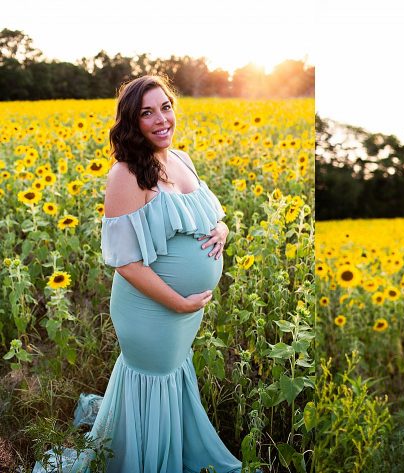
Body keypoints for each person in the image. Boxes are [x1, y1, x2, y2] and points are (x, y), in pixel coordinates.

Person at [86, 75, 241, 472]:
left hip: (183, 311)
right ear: (132, 122)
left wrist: (222, 230)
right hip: (150, 310)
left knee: (170, 375)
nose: (161, 119)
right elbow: (125, 262)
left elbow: (214, 215)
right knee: (152, 379)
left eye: (166, 107)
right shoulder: (126, 174)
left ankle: (169, 453)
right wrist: (178, 303)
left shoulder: (181, 159)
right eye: (147, 112)